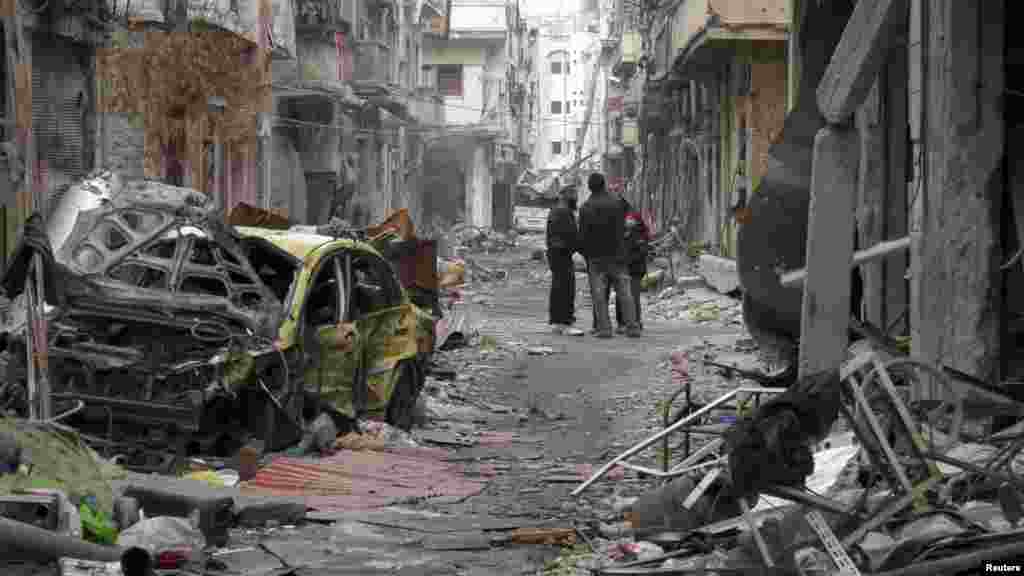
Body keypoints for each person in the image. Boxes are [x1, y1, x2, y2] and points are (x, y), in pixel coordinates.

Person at [578, 173, 640, 338]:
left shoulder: (585, 208)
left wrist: (587, 256)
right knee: (625, 294)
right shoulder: (617, 202)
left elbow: (582, 236)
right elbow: (630, 212)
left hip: (596, 258)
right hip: (618, 255)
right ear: (604, 184)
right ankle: (633, 327)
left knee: (599, 295)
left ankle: (605, 329)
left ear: (589, 187)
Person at [546, 186, 584, 336]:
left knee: (558, 288)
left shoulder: (555, 210)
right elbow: (572, 236)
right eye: (574, 195)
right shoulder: (564, 212)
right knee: (566, 289)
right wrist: (580, 249)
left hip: (555, 254)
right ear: (566, 197)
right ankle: (565, 323)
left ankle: (557, 322)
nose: (576, 198)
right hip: (562, 254)